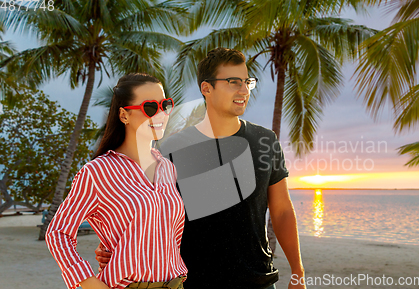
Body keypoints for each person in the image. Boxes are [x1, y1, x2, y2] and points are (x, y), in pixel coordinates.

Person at [96, 48, 306, 289]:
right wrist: (113, 245)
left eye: (247, 81)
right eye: (233, 82)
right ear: (206, 88)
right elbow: (148, 215)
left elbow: (282, 211)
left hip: (259, 282)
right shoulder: (172, 149)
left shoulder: (265, 140)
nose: (243, 90)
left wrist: (298, 271)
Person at [46, 73, 188, 289]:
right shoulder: (97, 172)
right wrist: (91, 284)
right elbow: (58, 232)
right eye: (150, 107)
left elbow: (169, 236)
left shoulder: (168, 169)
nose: (160, 114)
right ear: (124, 115)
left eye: (165, 105)